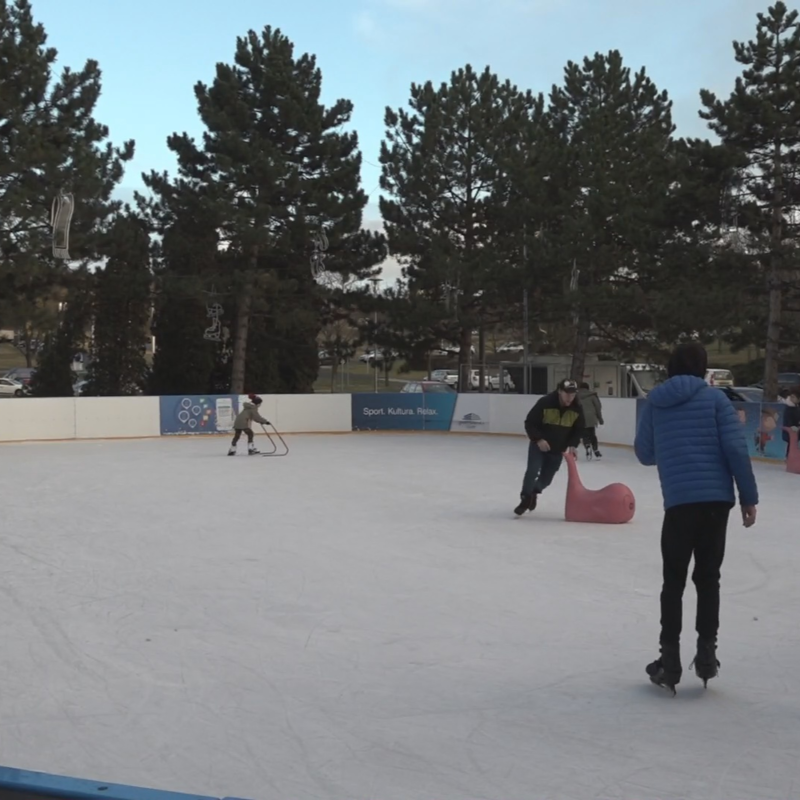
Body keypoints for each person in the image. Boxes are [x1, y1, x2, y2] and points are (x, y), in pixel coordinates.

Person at [634, 342, 758, 693]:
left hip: (679, 503)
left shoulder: (656, 402)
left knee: (673, 582)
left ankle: (669, 660)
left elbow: (644, 454)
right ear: (704, 370)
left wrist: (674, 448)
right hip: (716, 503)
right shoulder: (716, 400)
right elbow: (735, 448)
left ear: (670, 369)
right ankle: (706, 654)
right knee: (708, 579)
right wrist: (748, 497)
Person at [515, 379, 585, 516]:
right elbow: (530, 423)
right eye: (567, 394)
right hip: (538, 446)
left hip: (558, 448)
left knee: (546, 479)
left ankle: (535, 491)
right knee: (532, 471)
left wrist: (573, 444)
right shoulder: (545, 403)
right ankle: (525, 498)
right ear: (559, 391)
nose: (570, 397)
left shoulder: (577, 408)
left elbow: (579, 429)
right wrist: (538, 439)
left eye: (573, 394)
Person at [577, 381, 604, 459]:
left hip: (580, 418)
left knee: (584, 434)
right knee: (592, 434)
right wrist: (600, 419)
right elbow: (598, 408)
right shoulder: (592, 396)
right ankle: (595, 450)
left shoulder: (576, 396)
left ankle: (587, 445)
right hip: (591, 418)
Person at [782, 385, 800, 457]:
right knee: (791, 443)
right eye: (791, 397)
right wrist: (792, 426)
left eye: (794, 397)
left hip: (797, 431)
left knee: (793, 444)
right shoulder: (789, 408)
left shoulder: (796, 408)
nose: (792, 399)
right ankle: (789, 457)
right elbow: (787, 420)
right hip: (790, 431)